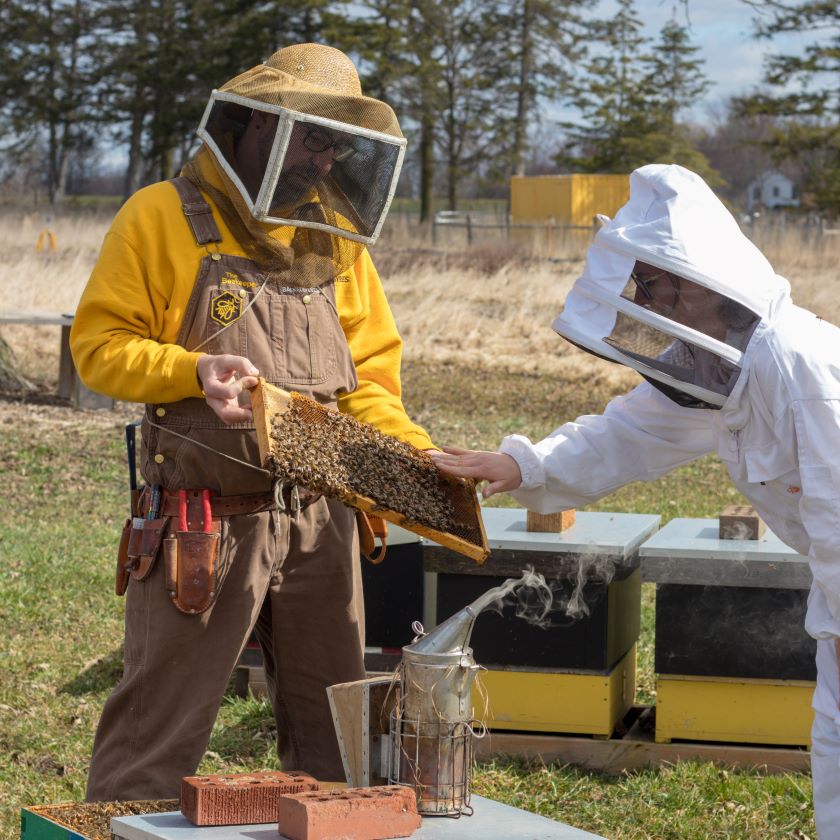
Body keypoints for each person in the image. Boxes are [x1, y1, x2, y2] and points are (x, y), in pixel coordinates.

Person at [70, 43, 435, 801]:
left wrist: (420, 458)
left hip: (322, 518)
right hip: (206, 522)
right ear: (256, 123)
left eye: (339, 143)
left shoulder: (334, 239)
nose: (326, 158)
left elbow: (365, 381)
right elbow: (99, 348)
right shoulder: (161, 216)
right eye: (314, 136)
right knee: (158, 735)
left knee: (338, 738)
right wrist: (189, 371)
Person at [433, 163, 840, 838]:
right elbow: (626, 434)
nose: (639, 302)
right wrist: (517, 464)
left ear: (697, 280)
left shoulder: (800, 372)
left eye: (647, 286)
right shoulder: (721, 369)